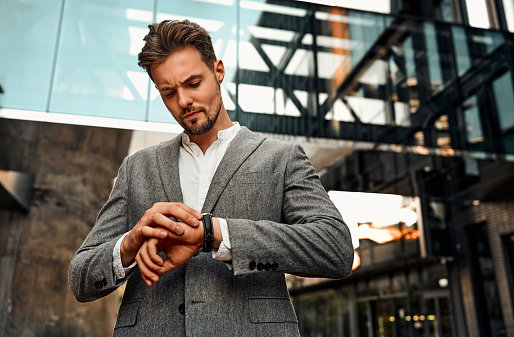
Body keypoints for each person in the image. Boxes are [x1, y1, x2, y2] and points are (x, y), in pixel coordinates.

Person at [69, 19, 354, 337]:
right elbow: (81, 279)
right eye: (168, 92)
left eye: (193, 83)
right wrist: (129, 244)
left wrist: (213, 233)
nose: (183, 101)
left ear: (218, 70)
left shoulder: (282, 158)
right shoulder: (136, 168)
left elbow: (336, 249)